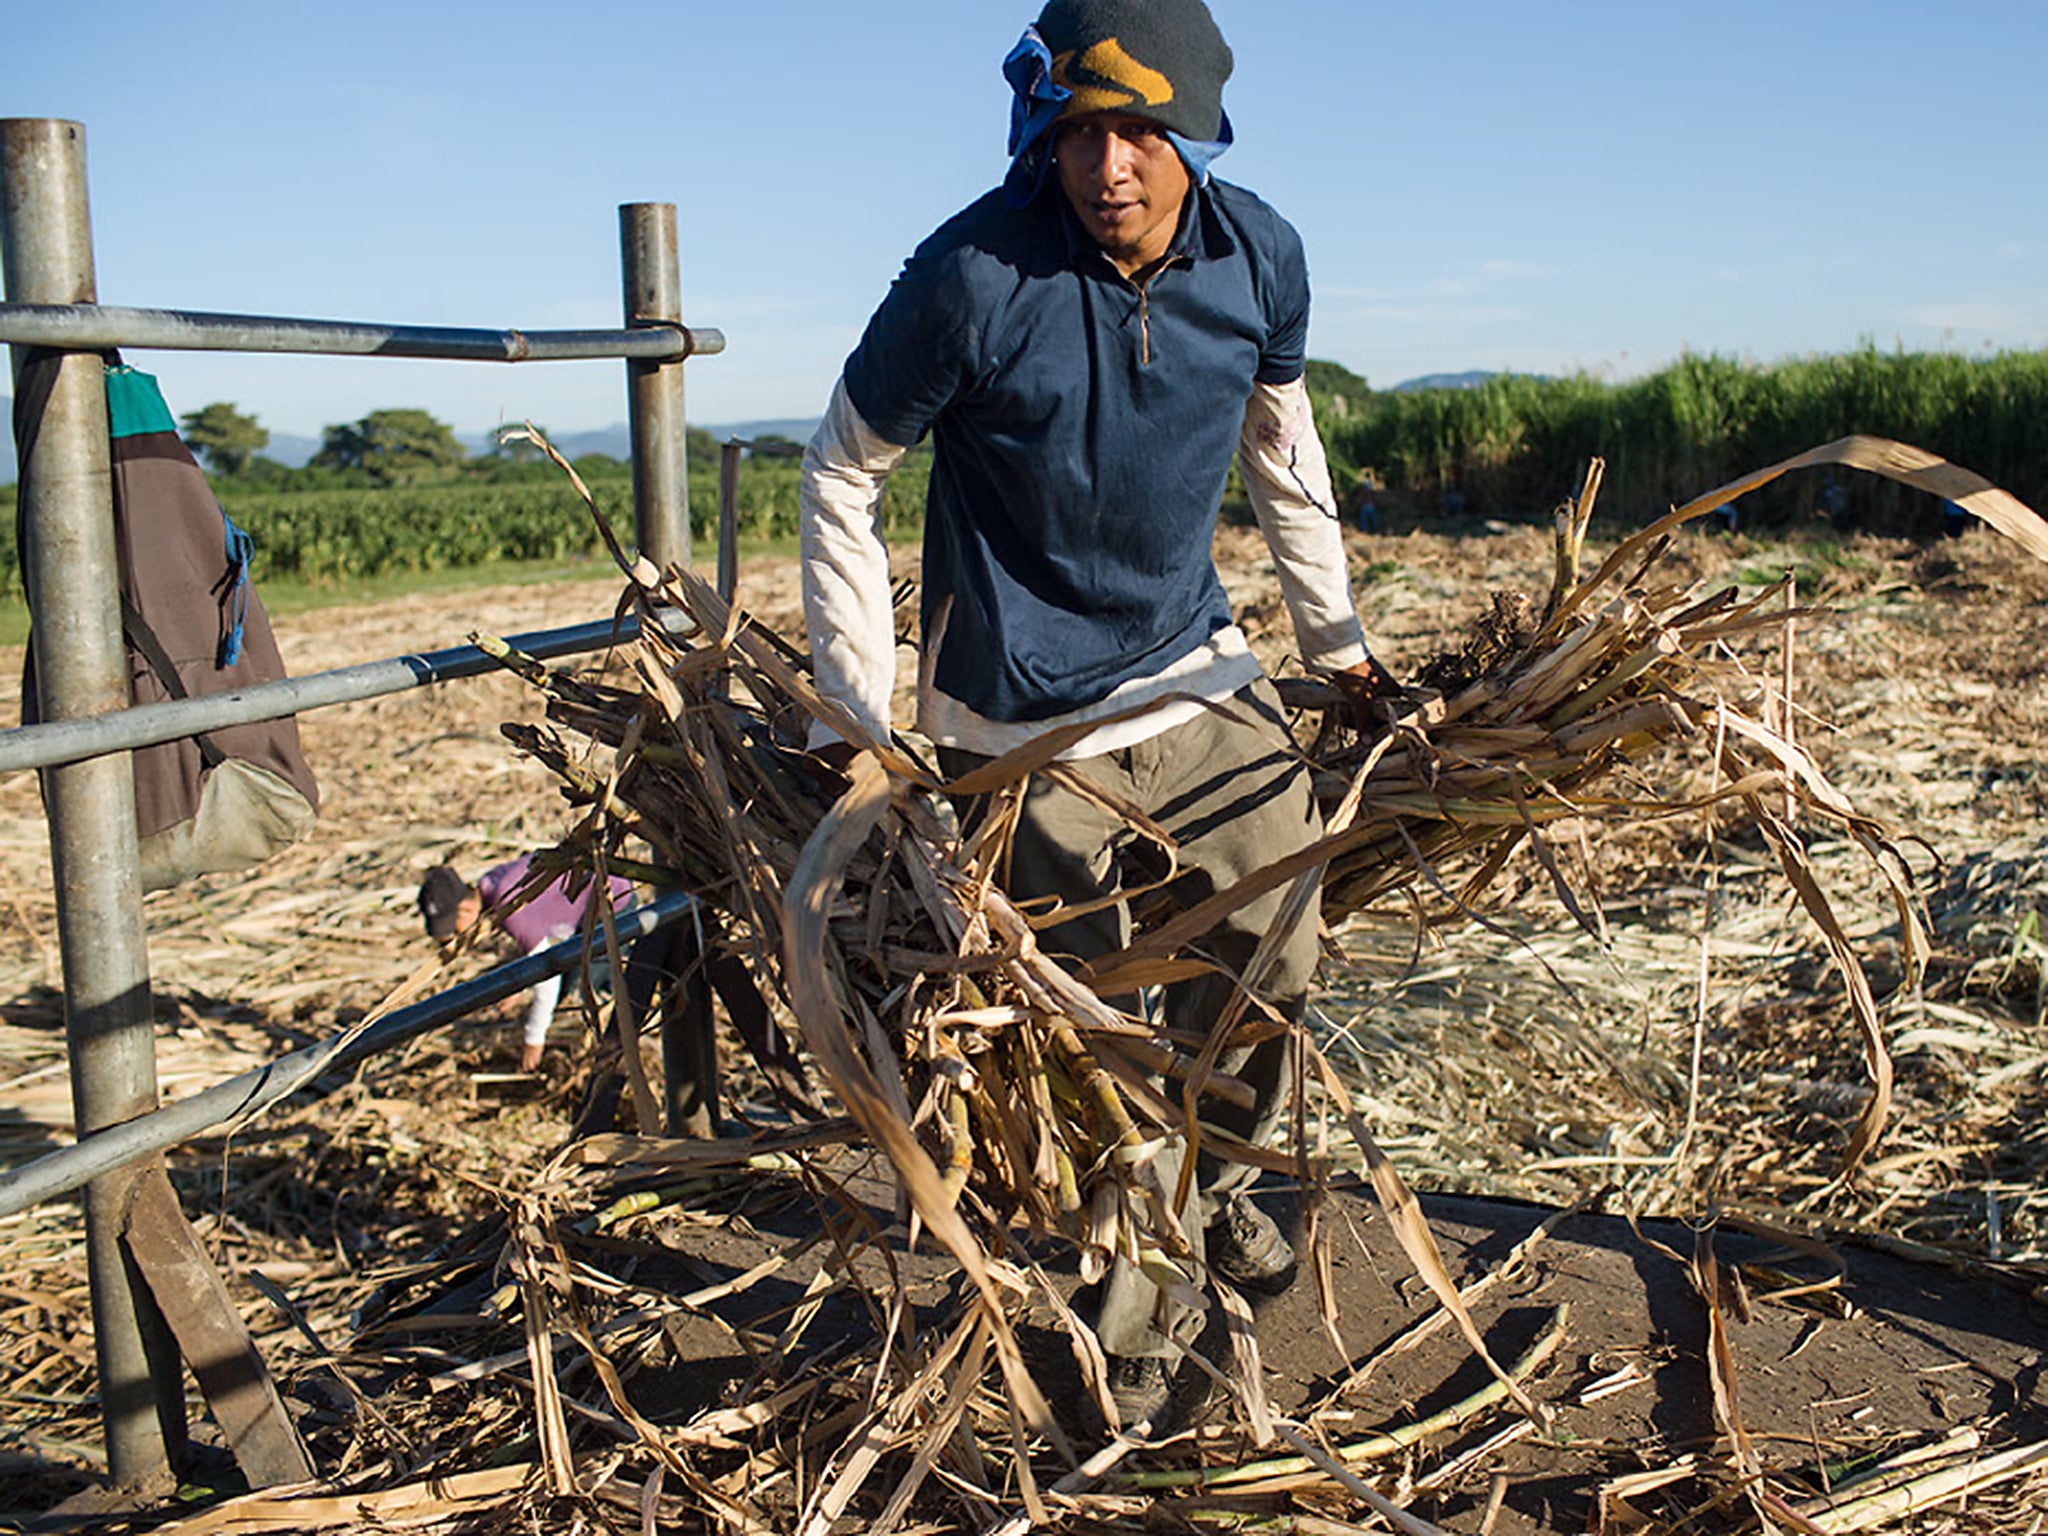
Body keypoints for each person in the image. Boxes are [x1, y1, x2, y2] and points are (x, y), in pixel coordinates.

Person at [798, 0, 1397, 1431]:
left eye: (1139, 131)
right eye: (1080, 131)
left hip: (1192, 663)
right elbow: (841, 467)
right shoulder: (970, 274)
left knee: (1275, 937)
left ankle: (1229, 1188)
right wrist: (853, 720)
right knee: (1091, 1024)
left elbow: (1282, 446)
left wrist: (1343, 646)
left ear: (1194, 132)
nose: (1108, 165)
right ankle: (1134, 1322)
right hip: (1014, 714)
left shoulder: (1260, 257)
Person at [418, 855, 634, 1073]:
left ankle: (607, 1063)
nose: (459, 938)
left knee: (584, 995)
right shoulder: (490, 886)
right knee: (569, 989)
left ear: (464, 909)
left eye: (455, 930)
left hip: (612, 904)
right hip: (586, 914)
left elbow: (547, 972)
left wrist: (534, 1039)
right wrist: (520, 985)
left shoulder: (507, 903)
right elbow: (532, 942)